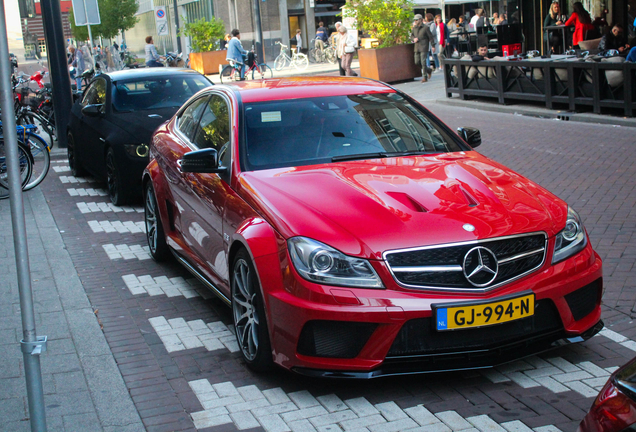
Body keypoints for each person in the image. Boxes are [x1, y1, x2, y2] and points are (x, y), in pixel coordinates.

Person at [411, 14, 434, 82]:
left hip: (424, 46)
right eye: (414, 20)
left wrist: (433, 46)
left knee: (423, 62)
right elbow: (411, 36)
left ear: (420, 20)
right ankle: (428, 70)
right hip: (417, 46)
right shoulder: (414, 28)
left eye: (416, 20)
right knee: (417, 62)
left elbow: (431, 37)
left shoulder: (426, 27)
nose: (415, 21)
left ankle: (425, 77)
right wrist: (414, 39)